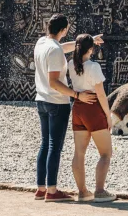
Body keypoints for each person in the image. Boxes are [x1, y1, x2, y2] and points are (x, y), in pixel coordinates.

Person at [34, 13, 103, 202]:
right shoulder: (55, 51)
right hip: (56, 101)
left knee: (45, 143)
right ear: (64, 29)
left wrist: (90, 41)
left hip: (41, 100)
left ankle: (41, 188)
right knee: (54, 146)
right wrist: (76, 95)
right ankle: (52, 190)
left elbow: (62, 47)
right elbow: (55, 82)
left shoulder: (41, 43)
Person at [68, 33, 116, 203]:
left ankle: (82, 192)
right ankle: (100, 191)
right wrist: (108, 116)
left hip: (78, 108)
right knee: (105, 153)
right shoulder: (93, 66)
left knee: (79, 152)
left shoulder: (70, 65)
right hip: (93, 107)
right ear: (91, 49)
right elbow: (101, 94)